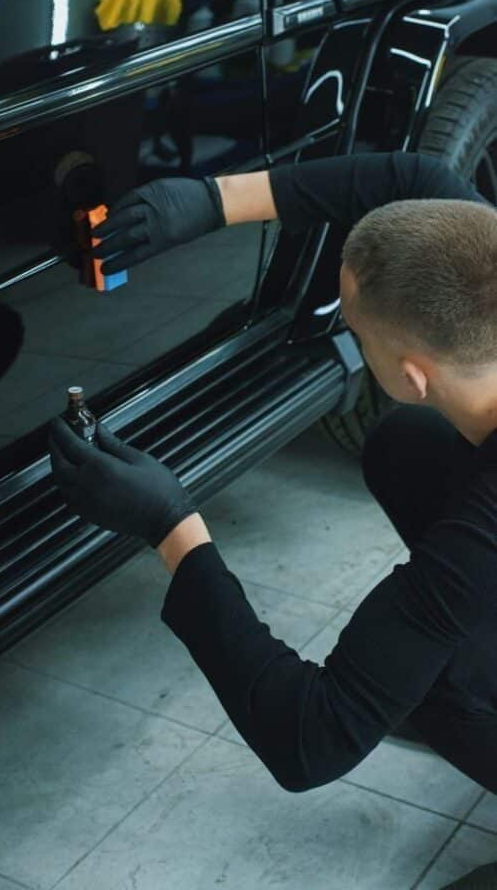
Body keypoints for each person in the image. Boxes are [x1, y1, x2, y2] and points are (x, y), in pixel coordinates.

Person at [48, 151, 496, 887]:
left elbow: (306, 740)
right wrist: (209, 200)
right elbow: (409, 181)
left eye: (355, 325)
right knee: (408, 449)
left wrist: (172, 527)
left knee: (437, 679)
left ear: (412, 375)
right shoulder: (479, 256)